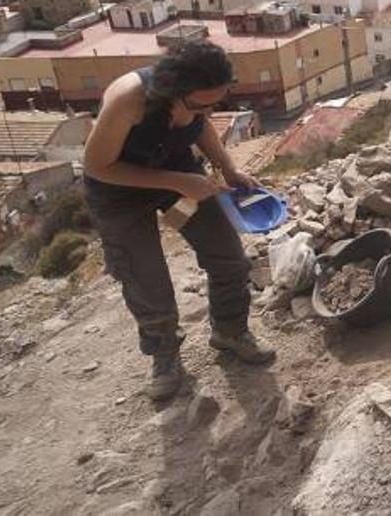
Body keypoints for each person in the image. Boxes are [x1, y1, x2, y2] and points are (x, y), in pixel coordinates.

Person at [83, 40, 274, 402]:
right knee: (145, 276)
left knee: (229, 257)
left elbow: (200, 126)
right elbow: (97, 165)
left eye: (216, 102)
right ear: (175, 90)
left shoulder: (197, 103)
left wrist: (229, 168)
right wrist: (175, 181)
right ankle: (165, 357)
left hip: (174, 169)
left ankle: (230, 331)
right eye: (201, 103)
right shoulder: (129, 99)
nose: (209, 109)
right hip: (117, 188)